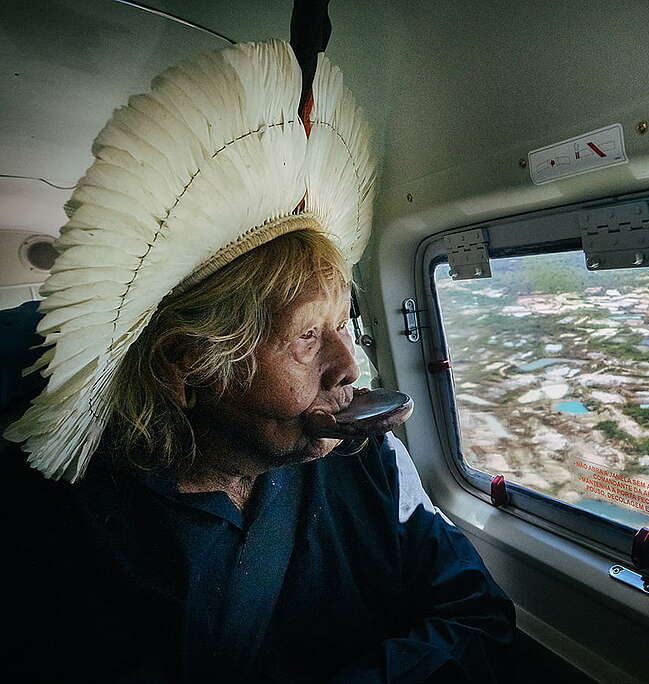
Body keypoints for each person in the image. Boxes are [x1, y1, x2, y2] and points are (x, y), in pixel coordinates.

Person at [0, 39, 514, 683]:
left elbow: (479, 616)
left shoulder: (372, 461)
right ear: (189, 368)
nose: (348, 368)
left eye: (342, 326)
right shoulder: (53, 531)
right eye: (306, 339)